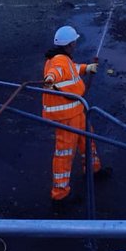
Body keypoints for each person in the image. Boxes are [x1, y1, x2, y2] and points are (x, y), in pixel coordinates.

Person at [42, 25, 109, 208]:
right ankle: (60, 196)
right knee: (64, 154)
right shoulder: (58, 62)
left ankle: (93, 170)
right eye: (75, 42)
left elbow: (72, 69)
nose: (76, 44)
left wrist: (88, 68)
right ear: (70, 44)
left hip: (77, 111)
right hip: (66, 116)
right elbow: (56, 72)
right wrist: (50, 79)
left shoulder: (63, 59)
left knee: (87, 141)